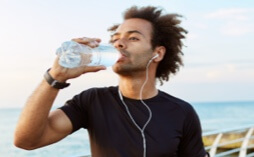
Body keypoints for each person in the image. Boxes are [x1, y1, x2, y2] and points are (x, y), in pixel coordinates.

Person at [14, 6, 208, 157]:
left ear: (157, 53)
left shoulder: (181, 112)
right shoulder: (92, 101)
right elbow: (27, 140)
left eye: (133, 38)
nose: (119, 43)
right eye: (115, 39)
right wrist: (56, 77)